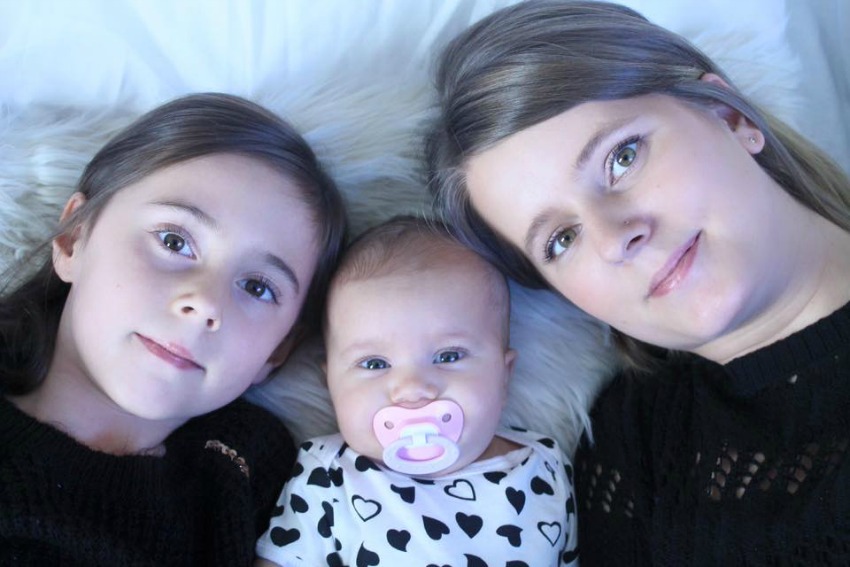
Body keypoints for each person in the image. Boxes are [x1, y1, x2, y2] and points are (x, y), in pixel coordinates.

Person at [425, 0, 850, 565]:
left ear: (729, 117)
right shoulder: (631, 443)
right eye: (561, 240)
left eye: (621, 158)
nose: (614, 238)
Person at [0, 92, 347, 566]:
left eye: (257, 287)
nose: (205, 304)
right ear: (74, 239)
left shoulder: (255, 473)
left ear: (277, 351)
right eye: (174, 241)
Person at [254, 215, 578, 566]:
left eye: (448, 356)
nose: (412, 389)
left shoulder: (543, 467)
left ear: (503, 376)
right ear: (330, 383)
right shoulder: (328, 474)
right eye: (374, 364)